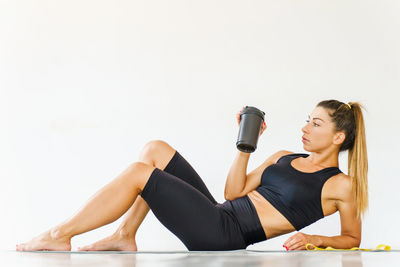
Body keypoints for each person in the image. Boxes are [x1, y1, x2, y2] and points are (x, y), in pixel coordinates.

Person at [16, 99, 367, 251]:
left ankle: (59, 234)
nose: (305, 127)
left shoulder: (340, 184)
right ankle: (125, 234)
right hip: (220, 213)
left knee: (141, 173)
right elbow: (233, 193)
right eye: (307, 119)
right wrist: (247, 145)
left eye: (315, 123)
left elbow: (352, 236)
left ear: (338, 137)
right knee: (155, 150)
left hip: (226, 236)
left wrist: (316, 239)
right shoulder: (282, 157)